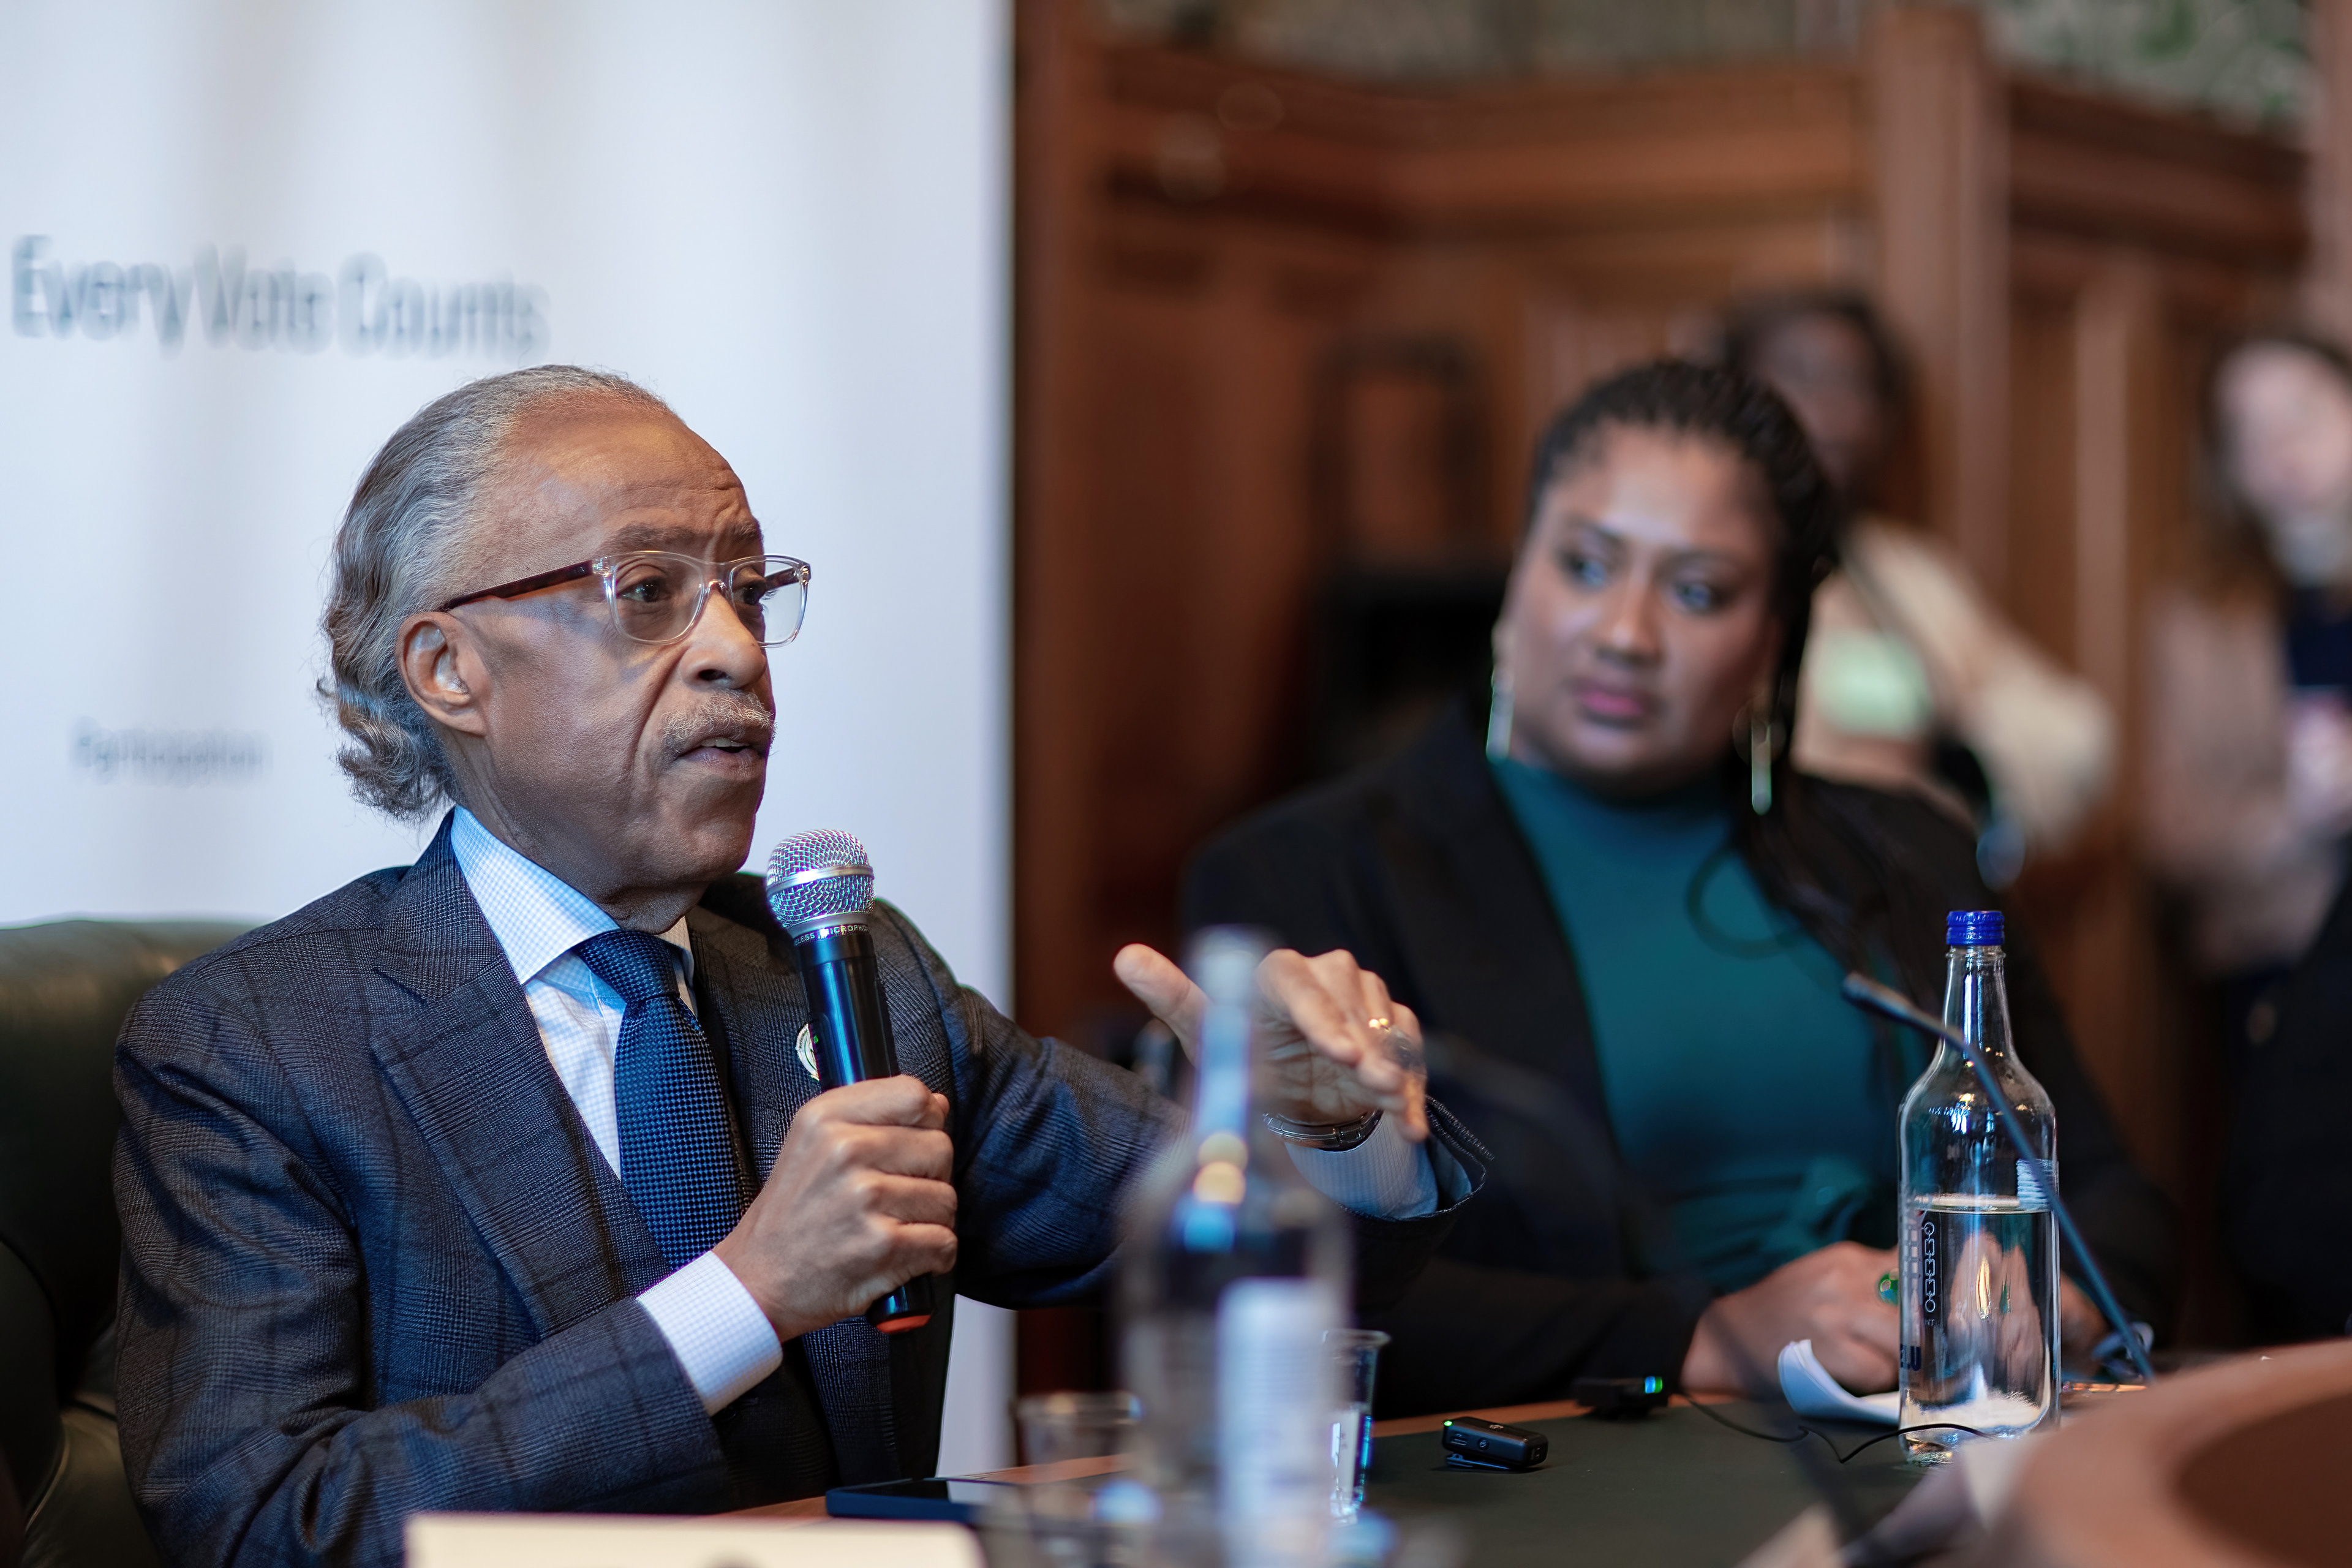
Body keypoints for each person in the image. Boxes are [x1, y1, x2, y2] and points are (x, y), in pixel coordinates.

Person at [112, 367, 1483, 1567]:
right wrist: (746, 1294)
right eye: (646, 594)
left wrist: (1332, 1128)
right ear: (448, 668)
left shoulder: (848, 970)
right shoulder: (253, 1046)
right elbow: (264, 1522)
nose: (734, 651)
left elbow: (1256, 1279)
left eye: (749, 589)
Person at [1185, 361, 2176, 1414]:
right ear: (1518, 570)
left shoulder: (1908, 852)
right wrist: (1702, 1333)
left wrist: (2039, 1295)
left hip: (1947, 1436)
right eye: (1584, 563)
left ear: (1774, 642)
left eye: (1698, 591)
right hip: (1594, 1480)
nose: (1625, 634)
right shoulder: (1307, 872)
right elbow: (1291, 1288)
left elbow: (2117, 1203)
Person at [1725, 290, 2113, 878]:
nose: (1830, 410)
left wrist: (1946, 766)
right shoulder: (1698, 566)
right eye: (1800, 376)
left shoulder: (1911, 573)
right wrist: (1850, 780)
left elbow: (2074, 737)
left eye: (1855, 386)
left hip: (1901, 904)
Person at [2147, 330, 2352, 1340]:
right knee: (2292, 1234)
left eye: (2305, 417)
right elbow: (2175, 833)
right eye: (2248, 433)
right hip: (2283, 963)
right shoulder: (2205, 613)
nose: (2283, 454)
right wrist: (2301, 817)